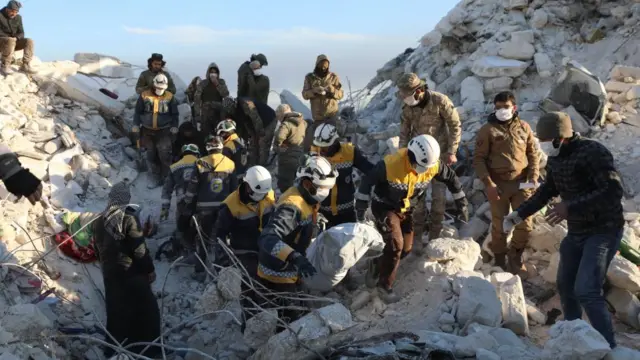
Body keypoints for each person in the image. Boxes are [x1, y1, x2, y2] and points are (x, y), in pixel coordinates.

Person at [503, 112, 624, 350]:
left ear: (561, 138)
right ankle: (574, 337)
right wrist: (519, 214)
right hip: (577, 232)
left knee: (587, 289)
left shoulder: (593, 153)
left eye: (547, 141)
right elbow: (546, 191)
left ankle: (609, 347)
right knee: (566, 286)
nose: (544, 146)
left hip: (603, 231)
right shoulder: (557, 161)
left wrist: (570, 206)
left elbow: (613, 190)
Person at [355, 134, 468, 303]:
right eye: (420, 165)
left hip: (407, 209)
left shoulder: (432, 164)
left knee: (406, 249)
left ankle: (377, 264)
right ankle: (384, 287)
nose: (423, 169)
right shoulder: (390, 165)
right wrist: (361, 209)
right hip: (385, 207)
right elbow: (366, 181)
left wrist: (462, 202)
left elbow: (451, 178)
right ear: (410, 155)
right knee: (396, 245)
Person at [257, 155, 337, 321]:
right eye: (322, 188)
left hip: (291, 270)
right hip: (277, 272)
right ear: (307, 183)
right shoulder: (291, 206)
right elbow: (268, 238)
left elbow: (301, 222)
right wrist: (295, 257)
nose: (326, 193)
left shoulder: (306, 199)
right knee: (289, 318)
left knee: (298, 309)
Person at [473, 91, 539, 276]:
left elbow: (533, 154)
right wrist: (489, 184)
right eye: (498, 107)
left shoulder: (524, 127)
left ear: (514, 108)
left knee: (525, 224)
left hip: (521, 184)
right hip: (499, 185)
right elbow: (479, 160)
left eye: (506, 107)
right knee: (499, 225)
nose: (502, 111)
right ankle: (500, 259)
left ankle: (515, 256)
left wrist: (533, 176)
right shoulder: (488, 130)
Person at [92, 182, 160, 358]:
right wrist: (150, 270)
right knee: (148, 313)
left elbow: (98, 251)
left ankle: (115, 352)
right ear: (126, 200)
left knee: (116, 316)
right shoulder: (128, 218)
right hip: (132, 274)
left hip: (110, 276)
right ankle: (149, 352)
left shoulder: (98, 221)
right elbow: (139, 249)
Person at [397, 72, 461, 243]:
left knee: (438, 200)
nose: (405, 98)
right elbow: (404, 132)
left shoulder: (440, 101)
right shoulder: (408, 107)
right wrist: (402, 156)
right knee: (416, 201)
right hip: (416, 159)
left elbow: (454, 125)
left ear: (419, 91)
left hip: (439, 158)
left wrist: (452, 151)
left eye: (407, 94)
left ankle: (435, 238)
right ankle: (415, 240)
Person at [182, 136, 236, 279]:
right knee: (222, 239)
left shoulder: (200, 163)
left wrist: (188, 202)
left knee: (203, 239)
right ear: (220, 147)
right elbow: (234, 189)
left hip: (204, 208)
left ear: (207, 148)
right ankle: (221, 272)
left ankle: (200, 271)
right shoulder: (230, 164)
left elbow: (192, 186)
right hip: (223, 208)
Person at [212, 165, 275, 280]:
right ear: (247, 186)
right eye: (257, 193)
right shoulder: (230, 206)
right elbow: (219, 236)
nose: (260, 198)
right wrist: (223, 263)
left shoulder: (267, 193)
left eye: (263, 194)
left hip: (265, 247)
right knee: (252, 279)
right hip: (244, 251)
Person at [311, 123, 374, 228]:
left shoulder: (350, 152)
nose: (321, 151)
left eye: (325, 148)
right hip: (323, 214)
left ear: (334, 142)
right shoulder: (314, 155)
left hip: (347, 213)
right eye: (319, 147)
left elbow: (370, 170)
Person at [132, 73, 179, 188]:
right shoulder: (144, 95)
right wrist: (136, 125)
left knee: (164, 153)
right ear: (154, 85)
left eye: (162, 88)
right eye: (158, 88)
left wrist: (174, 126)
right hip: (147, 131)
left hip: (164, 130)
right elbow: (138, 112)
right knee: (150, 154)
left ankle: (167, 178)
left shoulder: (169, 97)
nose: (160, 90)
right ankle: (155, 178)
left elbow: (175, 114)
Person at [161, 144, 201, 256]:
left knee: (182, 227)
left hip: (182, 203)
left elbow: (167, 189)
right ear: (197, 153)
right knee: (200, 228)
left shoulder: (174, 167)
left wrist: (165, 208)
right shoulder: (202, 164)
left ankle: (185, 252)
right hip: (200, 202)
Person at [301, 54, 344, 150]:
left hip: (332, 115)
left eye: (326, 66)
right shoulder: (310, 78)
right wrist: (314, 91)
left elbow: (340, 94)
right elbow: (304, 94)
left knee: (332, 142)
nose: (324, 68)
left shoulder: (334, 77)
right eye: (321, 66)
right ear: (317, 65)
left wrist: (332, 90)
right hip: (318, 117)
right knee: (318, 142)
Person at [221, 96, 276, 166]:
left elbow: (256, 118)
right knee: (253, 143)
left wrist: (260, 132)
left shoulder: (246, 104)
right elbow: (245, 122)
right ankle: (252, 165)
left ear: (234, 104)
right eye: (229, 110)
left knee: (263, 143)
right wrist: (251, 134)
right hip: (255, 122)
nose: (231, 111)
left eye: (231, 109)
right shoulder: (236, 110)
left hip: (268, 119)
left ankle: (262, 166)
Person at [273, 104, 307, 193]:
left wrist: (277, 147)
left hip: (287, 157)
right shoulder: (302, 122)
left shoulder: (286, 124)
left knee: (285, 185)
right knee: (298, 182)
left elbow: (279, 137)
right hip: (300, 155)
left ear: (281, 114)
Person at [190, 62, 230, 136]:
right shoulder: (203, 83)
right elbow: (197, 99)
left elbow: (225, 94)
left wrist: (217, 84)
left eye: (215, 72)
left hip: (219, 109)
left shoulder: (221, 82)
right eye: (211, 72)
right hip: (206, 109)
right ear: (208, 73)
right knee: (206, 131)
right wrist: (197, 114)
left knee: (219, 130)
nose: (213, 74)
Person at [0, 1, 36, 75]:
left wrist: (17, 37)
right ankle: (5, 65)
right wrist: (10, 38)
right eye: (12, 11)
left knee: (29, 41)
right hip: (1, 42)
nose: (14, 14)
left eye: (16, 12)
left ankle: (25, 65)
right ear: (7, 9)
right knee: (10, 40)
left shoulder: (18, 18)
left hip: (13, 42)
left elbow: (21, 32)